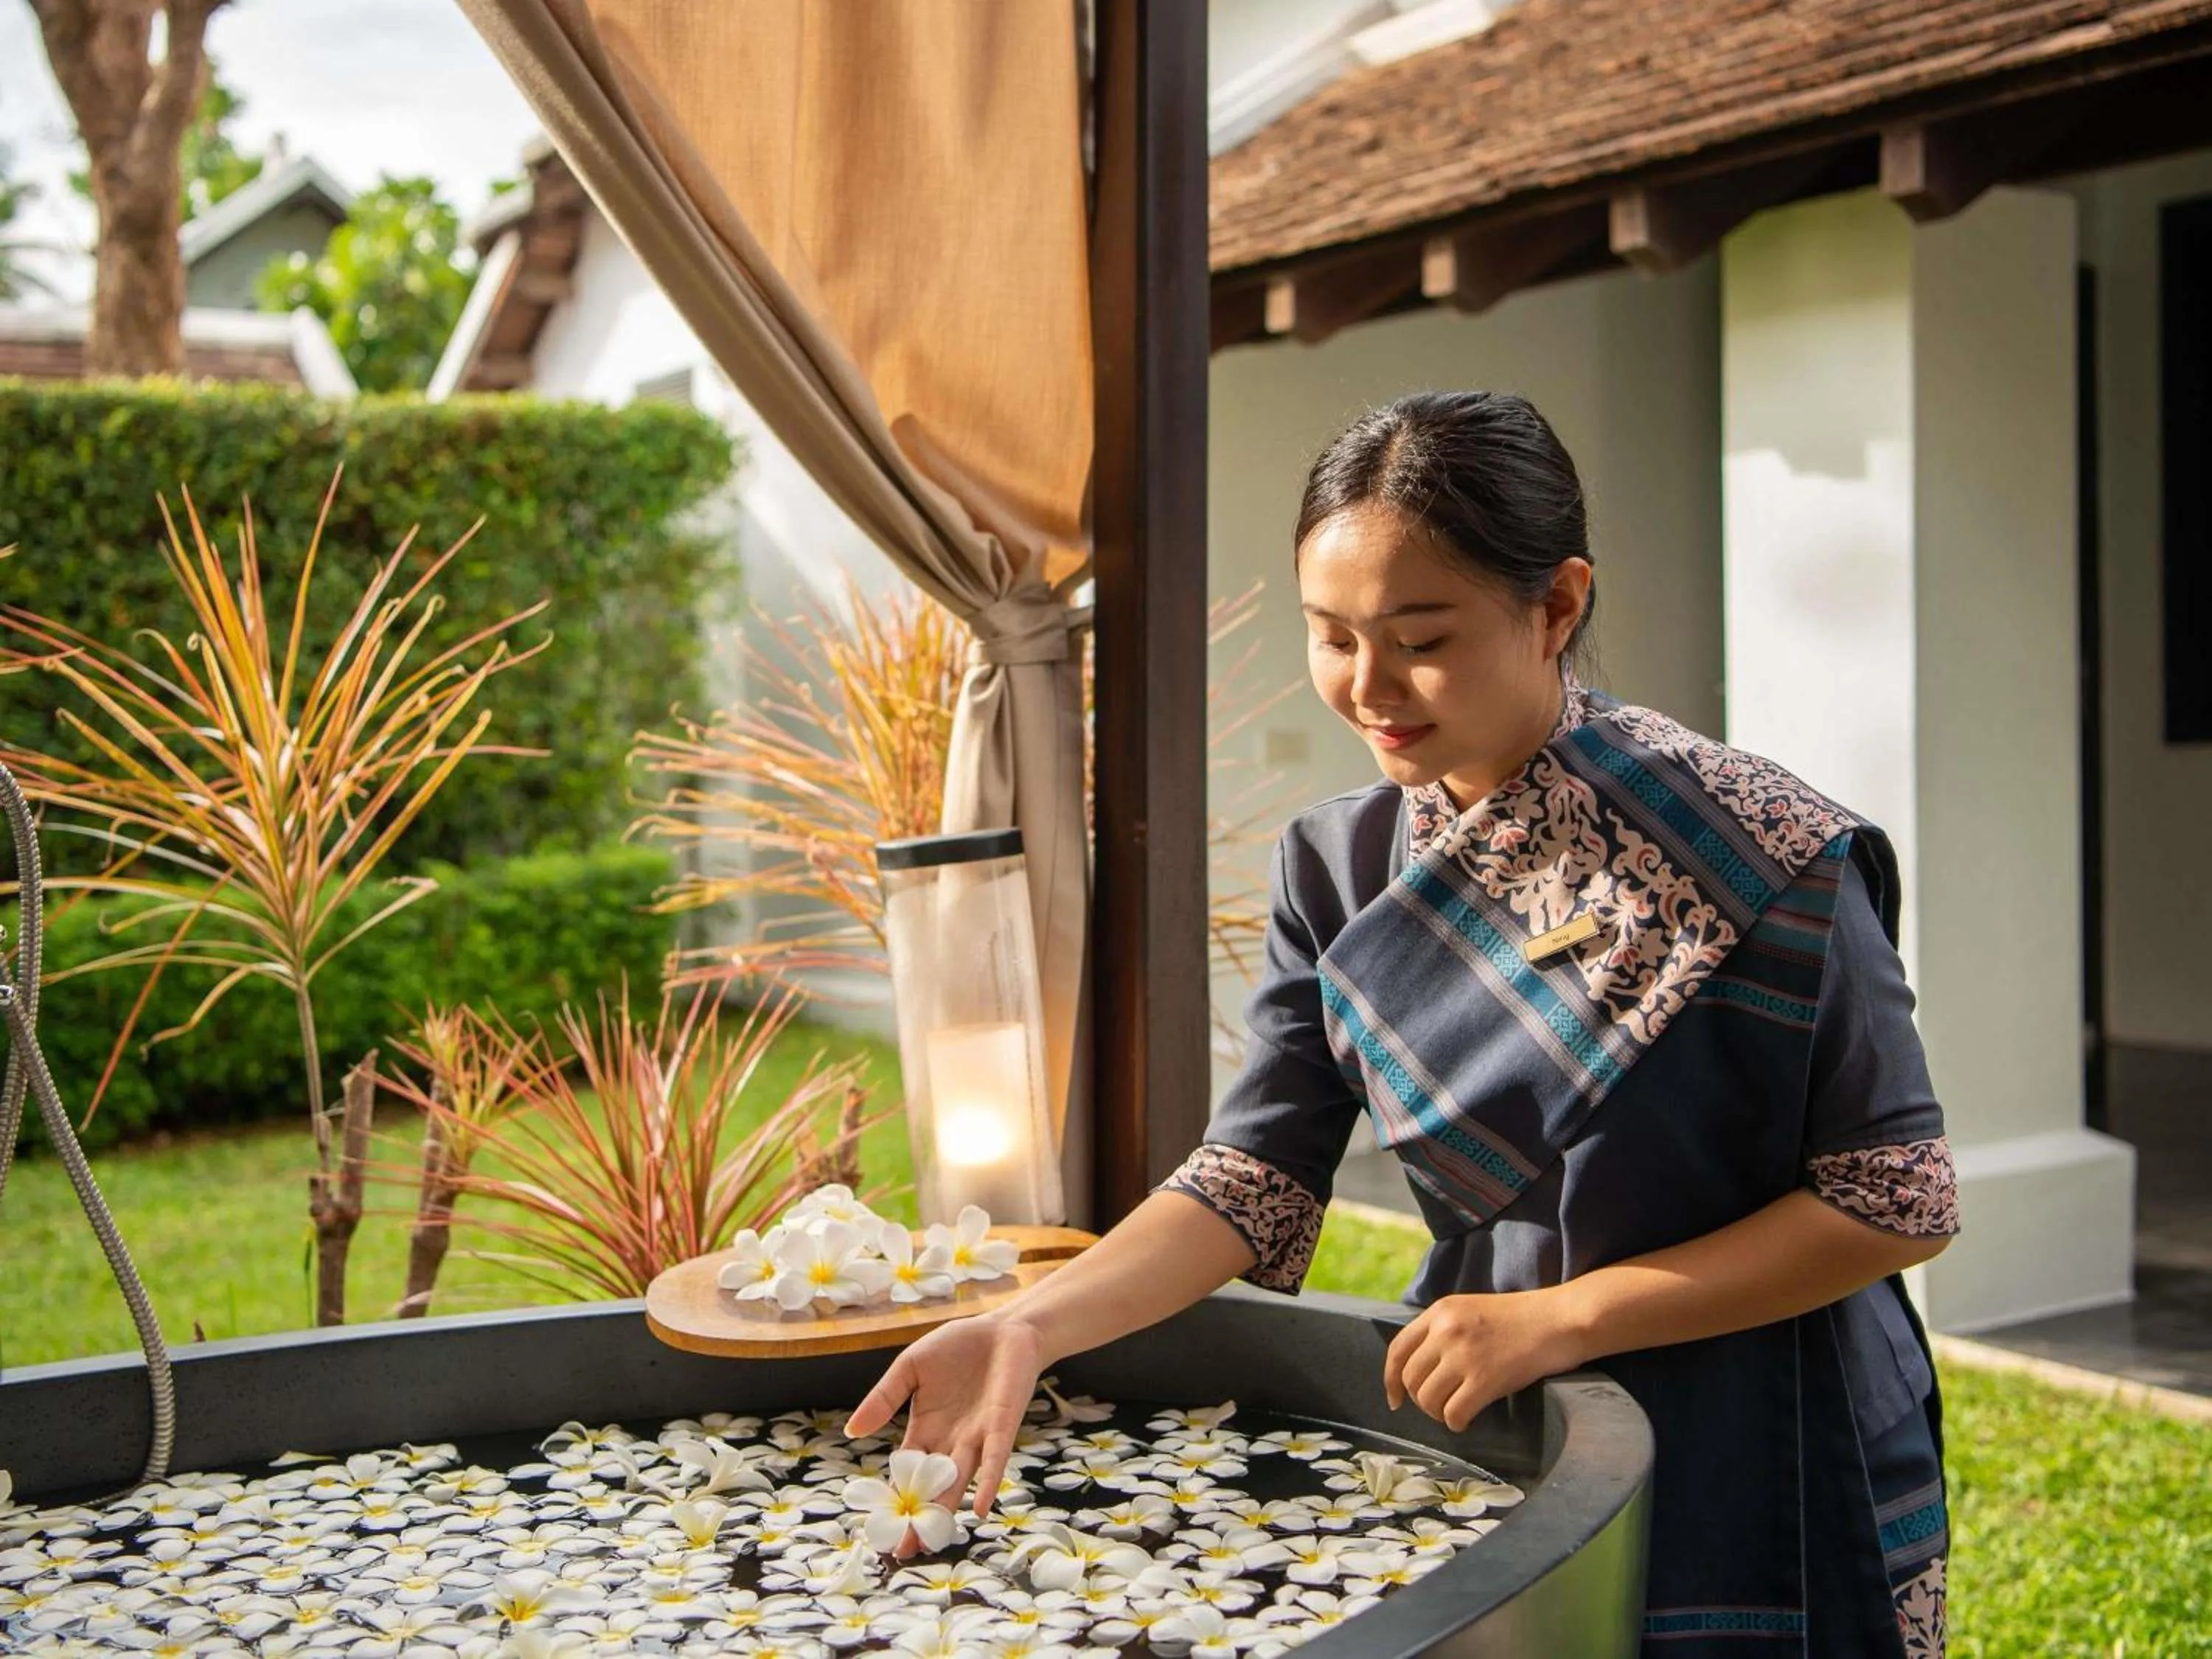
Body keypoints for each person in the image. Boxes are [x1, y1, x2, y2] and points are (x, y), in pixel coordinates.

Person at [847, 391, 1959, 1658]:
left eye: (1419, 638)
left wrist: (1568, 1314)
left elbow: (1897, 1194)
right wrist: (1028, 1324)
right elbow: (1254, 1179)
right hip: (1505, 1403)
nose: (1368, 687)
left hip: (1776, 1410)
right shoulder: (1340, 861)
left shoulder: (1755, 850)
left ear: (1558, 606)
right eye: (1331, 637)